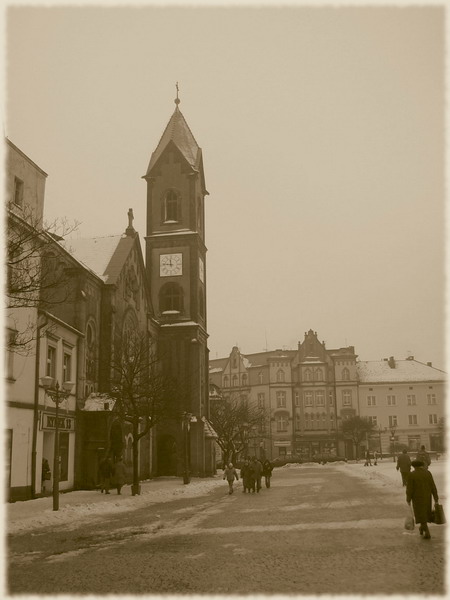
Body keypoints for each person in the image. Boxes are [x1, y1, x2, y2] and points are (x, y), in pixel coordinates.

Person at [406, 459, 439, 539]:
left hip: (417, 498)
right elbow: (433, 486)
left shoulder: (411, 475)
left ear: (413, 466)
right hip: (427, 497)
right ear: (421, 465)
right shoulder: (428, 473)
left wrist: (408, 498)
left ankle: (427, 532)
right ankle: (422, 528)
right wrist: (436, 498)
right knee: (424, 513)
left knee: (420, 513)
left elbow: (409, 488)